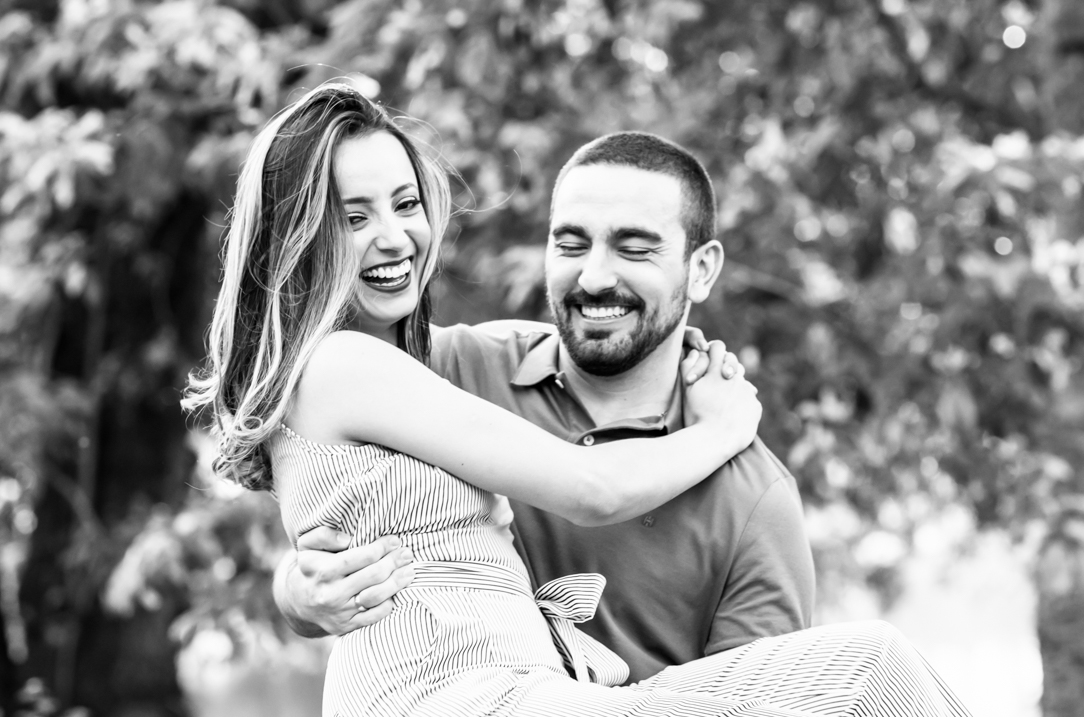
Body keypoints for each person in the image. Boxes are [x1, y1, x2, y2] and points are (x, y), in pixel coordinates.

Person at [185, 82, 1026, 717]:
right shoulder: (359, 366)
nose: (394, 235)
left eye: (406, 204)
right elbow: (592, 487)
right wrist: (728, 424)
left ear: (700, 271)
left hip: (537, 705)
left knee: (875, 664)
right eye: (351, 214)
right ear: (298, 233)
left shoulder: (413, 361)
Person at [273, 132, 818, 683]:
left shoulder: (755, 497)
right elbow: (320, 508)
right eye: (572, 244)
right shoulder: (448, 369)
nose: (596, 277)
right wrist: (299, 593)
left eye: (634, 248)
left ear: (700, 270)